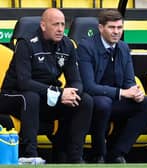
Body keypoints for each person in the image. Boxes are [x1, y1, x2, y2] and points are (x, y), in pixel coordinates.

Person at [0, 8, 93, 164]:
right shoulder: (26, 43)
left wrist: (72, 93)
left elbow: (76, 80)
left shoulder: (67, 45)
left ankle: (75, 156)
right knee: (31, 97)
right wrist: (59, 92)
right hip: (13, 95)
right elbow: (24, 82)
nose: (60, 29)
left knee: (85, 100)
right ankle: (30, 154)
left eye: (63, 24)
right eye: (56, 24)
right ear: (43, 26)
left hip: (47, 96)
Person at [77, 9, 147, 163]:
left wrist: (135, 92)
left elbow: (129, 80)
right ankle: (98, 154)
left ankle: (116, 153)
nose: (116, 32)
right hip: (94, 100)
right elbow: (89, 86)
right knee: (103, 103)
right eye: (112, 27)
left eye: (119, 28)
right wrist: (122, 93)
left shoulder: (123, 48)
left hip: (116, 100)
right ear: (101, 28)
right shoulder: (86, 47)